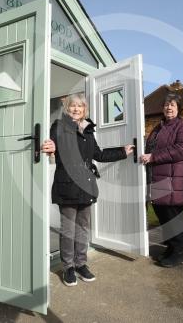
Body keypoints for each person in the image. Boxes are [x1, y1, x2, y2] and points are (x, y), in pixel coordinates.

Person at [41, 93, 134, 287]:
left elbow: (98, 154)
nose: (76, 109)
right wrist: (50, 147)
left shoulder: (89, 130)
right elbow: (52, 145)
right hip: (66, 185)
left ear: (85, 110)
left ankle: (81, 264)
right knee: (68, 230)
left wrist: (122, 151)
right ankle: (68, 267)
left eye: (80, 106)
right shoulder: (59, 126)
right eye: (72, 106)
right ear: (67, 108)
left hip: (86, 186)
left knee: (82, 228)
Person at [139, 93, 183, 267]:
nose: (168, 108)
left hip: (173, 179)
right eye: (166, 105)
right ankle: (170, 248)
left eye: (172, 105)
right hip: (158, 179)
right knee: (163, 215)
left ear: (178, 108)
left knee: (173, 216)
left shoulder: (182, 126)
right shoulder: (159, 127)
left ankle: (178, 252)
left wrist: (153, 157)